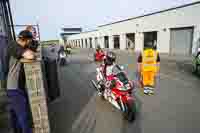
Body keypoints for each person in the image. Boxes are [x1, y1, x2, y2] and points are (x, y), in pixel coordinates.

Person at [6, 30, 36, 133]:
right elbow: (31, 56)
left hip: (15, 87)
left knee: (16, 114)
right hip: (14, 87)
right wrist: (30, 52)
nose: (30, 43)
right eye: (30, 40)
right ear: (27, 40)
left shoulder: (18, 46)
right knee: (23, 115)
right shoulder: (14, 46)